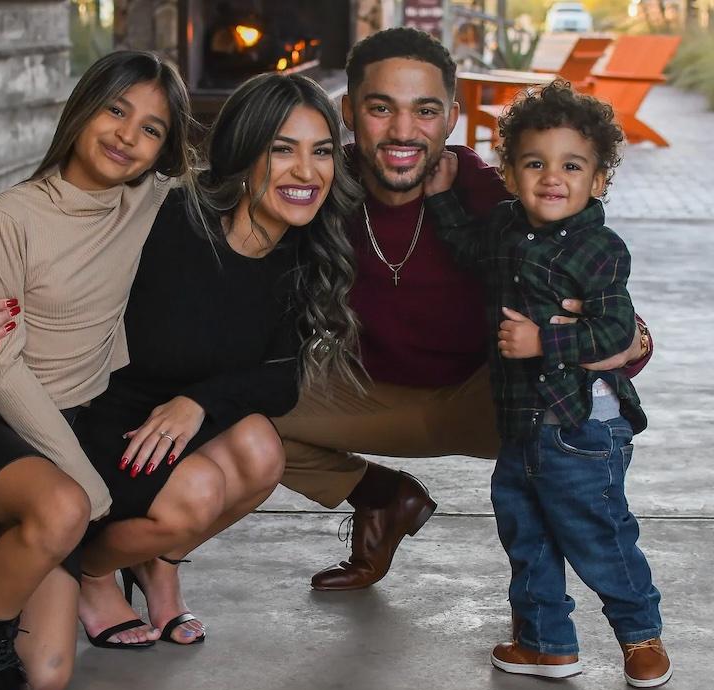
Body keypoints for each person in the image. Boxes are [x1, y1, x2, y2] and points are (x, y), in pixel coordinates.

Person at [0, 72, 361, 658]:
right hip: (93, 421)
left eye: (323, 152)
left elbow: (282, 379)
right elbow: (67, 250)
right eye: (282, 149)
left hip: (171, 422)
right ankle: (88, 568)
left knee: (262, 451)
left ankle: (155, 563)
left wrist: (197, 403)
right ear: (241, 152)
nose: (306, 173)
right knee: (48, 669)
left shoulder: (302, 246)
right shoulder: (166, 215)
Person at [272, 26, 652, 591]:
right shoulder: (319, 181)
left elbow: (614, 314)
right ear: (348, 111)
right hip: (372, 391)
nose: (403, 131)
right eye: (381, 108)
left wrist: (633, 341)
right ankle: (382, 498)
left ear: (451, 116)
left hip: (496, 399)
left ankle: (561, 624)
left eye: (425, 110)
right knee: (235, 413)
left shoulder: (497, 195)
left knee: (566, 486)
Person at [0, 50, 192, 690]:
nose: (128, 134)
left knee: (50, 675)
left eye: (153, 128)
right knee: (66, 504)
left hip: (64, 422)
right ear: (83, 107)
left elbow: (248, 178)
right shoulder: (10, 214)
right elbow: (0, 367)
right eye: (117, 109)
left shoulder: (154, 203)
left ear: (163, 150)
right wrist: (82, 481)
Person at [423, 79, 670, 688]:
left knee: (598, 536)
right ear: (509, 173)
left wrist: (544, 341)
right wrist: (439, 196)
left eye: (572, 165)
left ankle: (641, 636)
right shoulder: (504, 229)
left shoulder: (599, 249)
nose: (552, 177)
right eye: (535, 163)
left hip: (584, 427)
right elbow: (461, 248)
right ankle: (546, 642)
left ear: (599, 180)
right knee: (525, 534)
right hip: (523, 423)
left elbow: (615, 333)